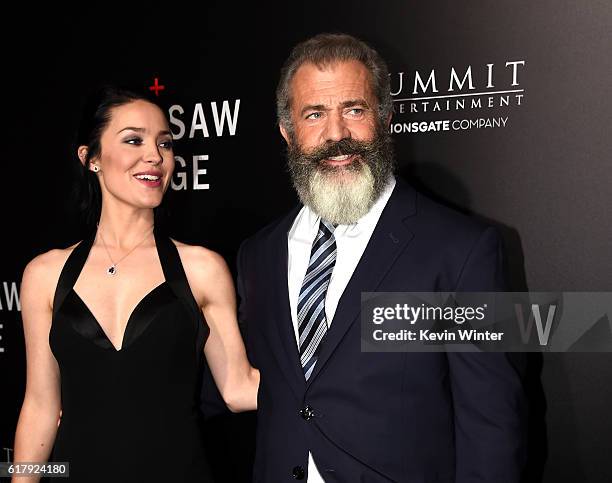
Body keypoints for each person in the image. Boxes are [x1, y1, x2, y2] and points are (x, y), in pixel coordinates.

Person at [237, 33, 526, 482]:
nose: (337, 134)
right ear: (288, 133)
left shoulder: (463, 249)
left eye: (354, 109)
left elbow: (491, 423)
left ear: (386, 119)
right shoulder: (258, 254)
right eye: (315, 114)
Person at [12, 85, 259, 483]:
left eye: (165, 143)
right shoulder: (44, 275)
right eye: (133, 140)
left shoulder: (200, 268)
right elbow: (40, 407)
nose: (155, 157)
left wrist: (346, 378)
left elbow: (238, 388)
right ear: (90, 158)